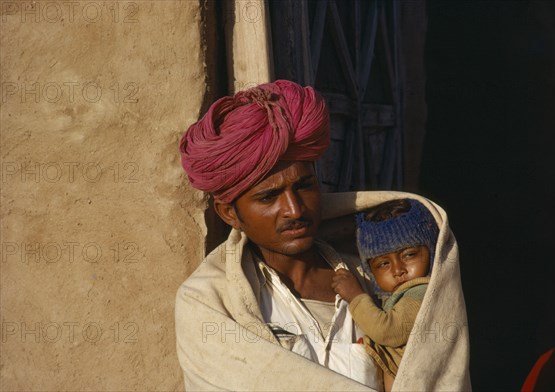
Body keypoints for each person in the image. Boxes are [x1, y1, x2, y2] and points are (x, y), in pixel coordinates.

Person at [176, 79, 471, 391]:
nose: (294, 209)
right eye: (268, 198)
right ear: (230, 214)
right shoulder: (208, 302)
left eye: (304, 186)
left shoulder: (376, 276)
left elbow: (436, 370)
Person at [332, 199, 439, 392]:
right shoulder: (397, 295)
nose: (398, 270)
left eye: (409, 255)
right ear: (371, 270)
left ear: (431, 252)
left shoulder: (420, 292)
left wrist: (355, 296)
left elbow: (388, 331)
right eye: (383, 264)